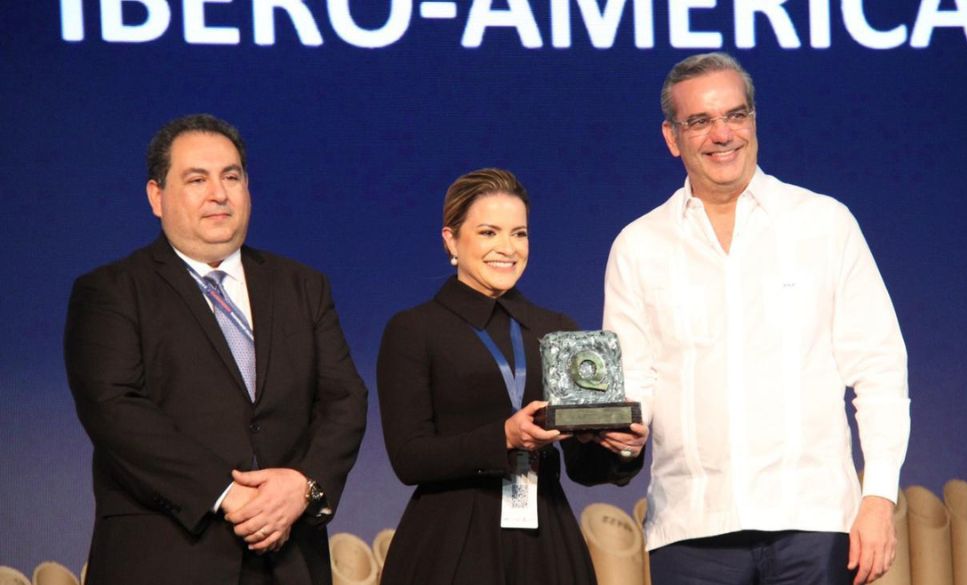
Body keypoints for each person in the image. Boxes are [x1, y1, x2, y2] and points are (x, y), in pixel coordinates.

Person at [603, 53, 910, 585]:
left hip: (812, 522)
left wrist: (878, 496)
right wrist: (622, 432)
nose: (722, 134)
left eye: (736, 115)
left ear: (753, 121)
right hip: (691, 529)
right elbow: (635, 379)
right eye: (700, 121)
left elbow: (879, 369)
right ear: (672, 137)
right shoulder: (639, 246)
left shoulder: (824, 224)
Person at [64, 114, 368, 585]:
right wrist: (228, 493)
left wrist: (302, 484)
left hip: (288, 560)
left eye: (231, 177)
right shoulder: (112, 291)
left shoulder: (302, 286)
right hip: (168, 558)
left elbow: (345, 398)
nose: (219, 193)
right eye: (196, 179)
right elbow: (115, 410)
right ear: (155, 196)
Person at [376, 168, 648, 585]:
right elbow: (410, 457)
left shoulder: (558, 331)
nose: (507, 248)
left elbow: (582, 465)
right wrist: (503, 437)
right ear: (451, 239)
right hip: (451, 543)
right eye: (488, 232)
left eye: (519, 234)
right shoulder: (414, 330)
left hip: (546, 540)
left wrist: (622, 448)